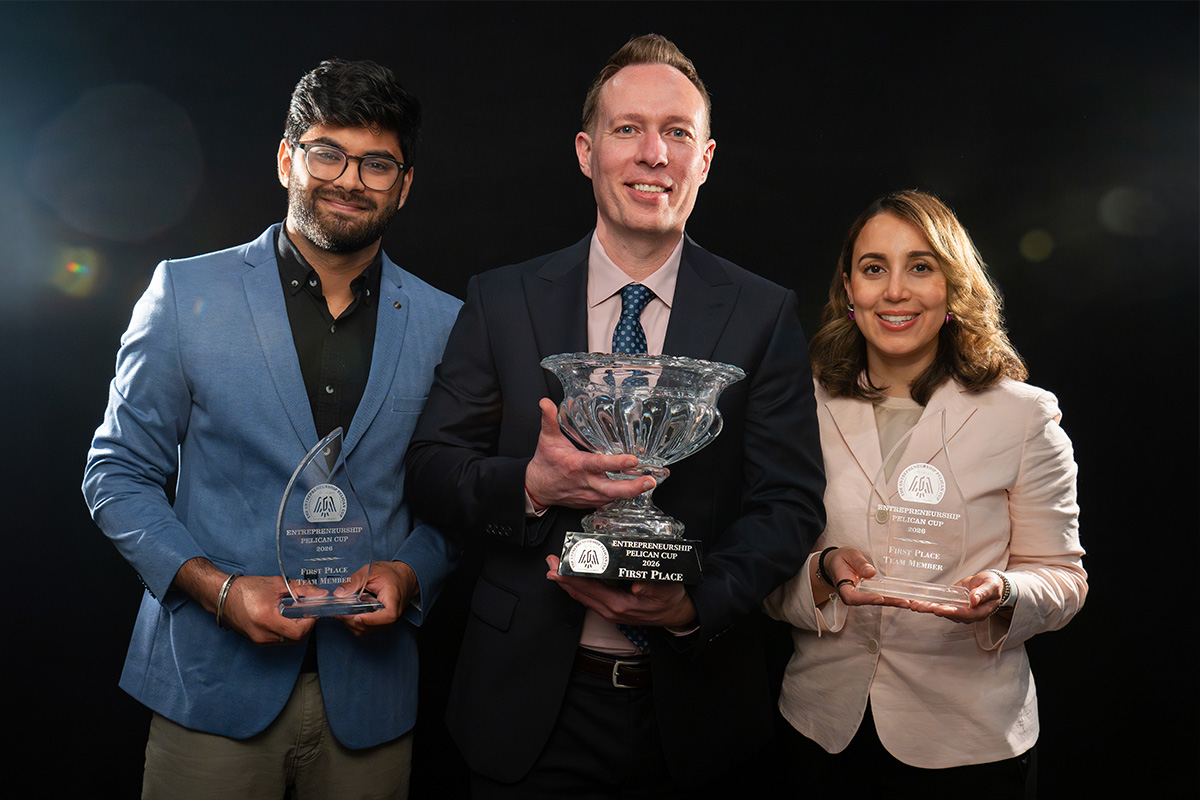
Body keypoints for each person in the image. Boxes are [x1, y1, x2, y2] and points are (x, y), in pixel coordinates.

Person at [404, 33, 825, 798]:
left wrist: (697, 602)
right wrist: (532, 486)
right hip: (526, 708)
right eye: (627, 129)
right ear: (586, 149)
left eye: (677, 133)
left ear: (705, 158)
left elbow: (789, 505)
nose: (652, 154)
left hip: (696, 715)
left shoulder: (764, 314)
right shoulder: (502, 302)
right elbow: (432, 468)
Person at [82, 59, 461, 799]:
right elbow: (116, 476)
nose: (350, 179)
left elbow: (455, 496)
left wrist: (412, 572)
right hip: (210, 696)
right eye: (327, 152)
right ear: (288, 156)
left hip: (373, 706)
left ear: (404, 184)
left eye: (377, 163)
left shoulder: (450, 325)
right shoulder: (183, 293)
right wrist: (220, 591)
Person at [765, 190, 1086, 798]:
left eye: (920, 266)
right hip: (818, 731)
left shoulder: (1023, 416)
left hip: (969, 749)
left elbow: (1063, 578)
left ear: (952, 288)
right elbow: (761, 571)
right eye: (873, 268)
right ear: (849, 290)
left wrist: (1006, 593)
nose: (894, 291)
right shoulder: (800, 407)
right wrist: (821, 572)